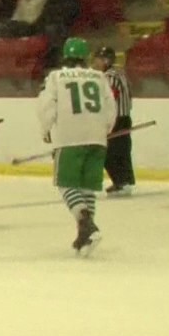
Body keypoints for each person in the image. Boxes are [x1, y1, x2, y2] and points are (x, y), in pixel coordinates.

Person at [37, 37, 118, 256]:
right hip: (97, 138)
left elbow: (47, 105)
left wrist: (45, 129)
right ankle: (85, 235)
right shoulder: (99, 77)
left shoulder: (55, 77)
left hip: (69, 137)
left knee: (66, 184)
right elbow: (111, 107)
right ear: (86, 57)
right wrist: (105, 129)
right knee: (87, 187)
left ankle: (86, 223)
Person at [93, 46, 136, 196]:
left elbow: (109, 99)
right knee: (122, 151)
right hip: (124, 117)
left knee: (110, 152)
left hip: (115, 120)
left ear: (106, 60)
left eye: (98, 59)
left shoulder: (109, 76)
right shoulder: (119, 73)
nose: (96, 63)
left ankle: (121, 182)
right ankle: (125, 181)